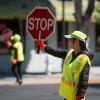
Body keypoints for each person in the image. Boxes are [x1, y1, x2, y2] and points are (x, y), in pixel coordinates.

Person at [36, 31, 94, 100]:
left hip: (76, 97)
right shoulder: (70, 53)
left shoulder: (84, 59)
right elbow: (57, 52)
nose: (68, 41)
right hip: (67, 95)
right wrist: (44, 47)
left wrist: (79, 97)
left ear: (77, 42)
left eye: (70, 39)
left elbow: (83, 81)